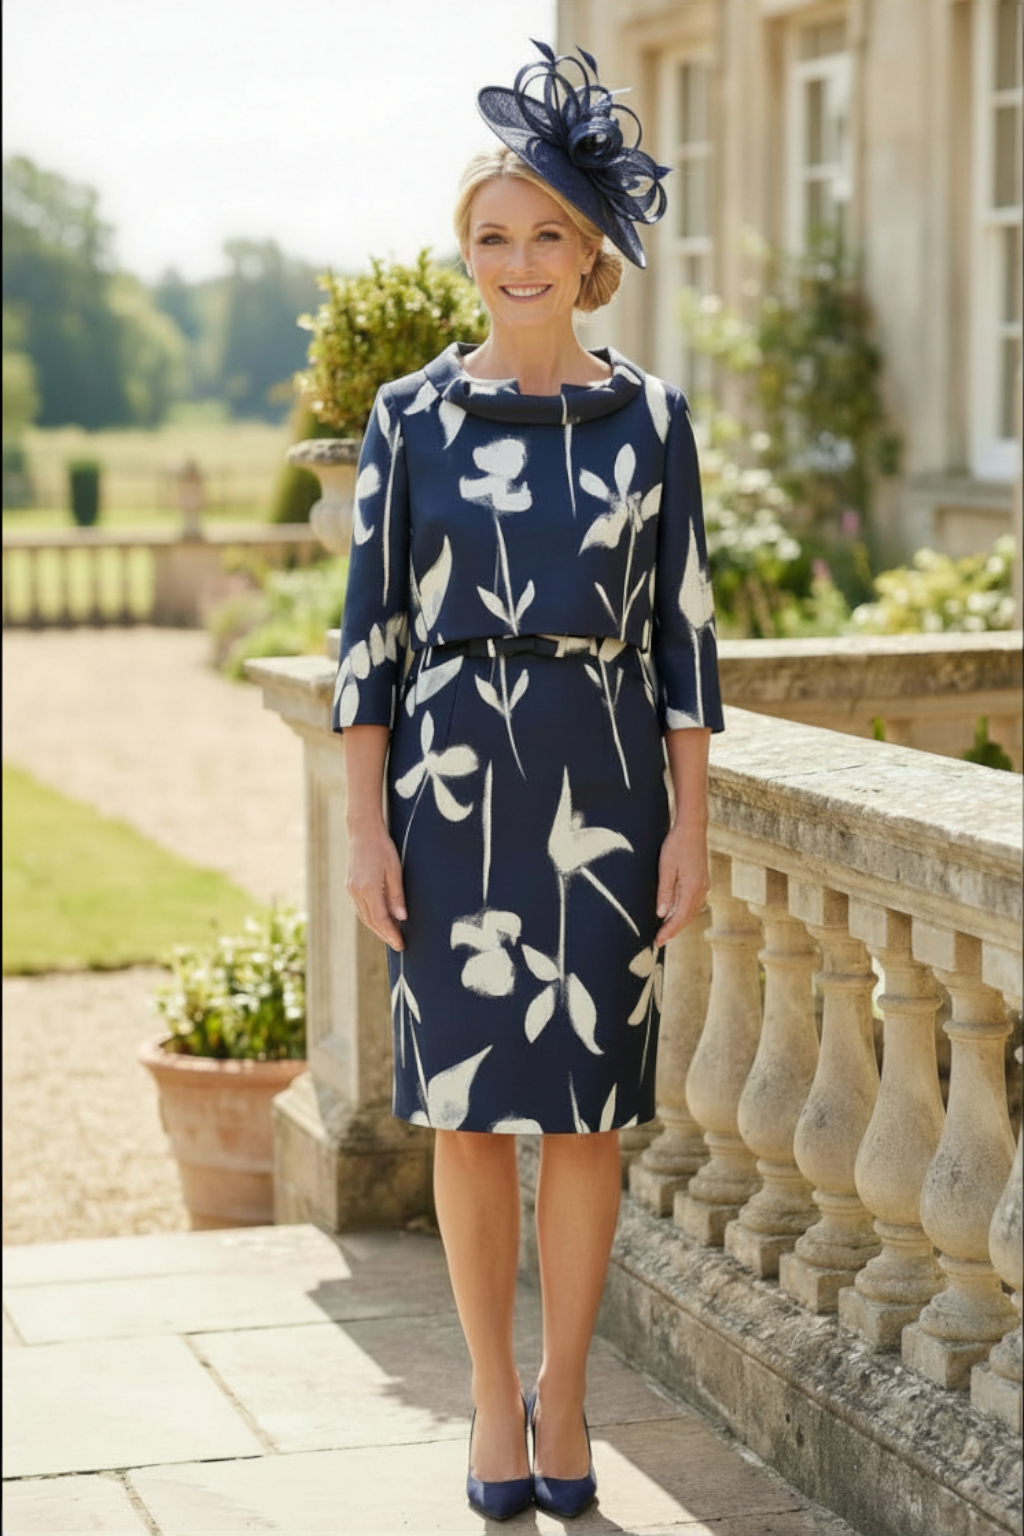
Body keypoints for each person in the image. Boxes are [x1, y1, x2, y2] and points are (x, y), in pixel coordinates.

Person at [333, 40, 724, 1522]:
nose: (516, 261)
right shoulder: (410, 420)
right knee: (462, 1112)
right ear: (469, 256)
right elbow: (367, 638)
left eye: (544, 234)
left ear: (591, 255)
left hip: (606, 784)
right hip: (445, 785)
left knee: (582, 1114)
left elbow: (685, 627)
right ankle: (492, 1405)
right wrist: (366, 825)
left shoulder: (655, 421)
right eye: (491, 238)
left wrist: (692, 816)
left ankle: (570, 1400)